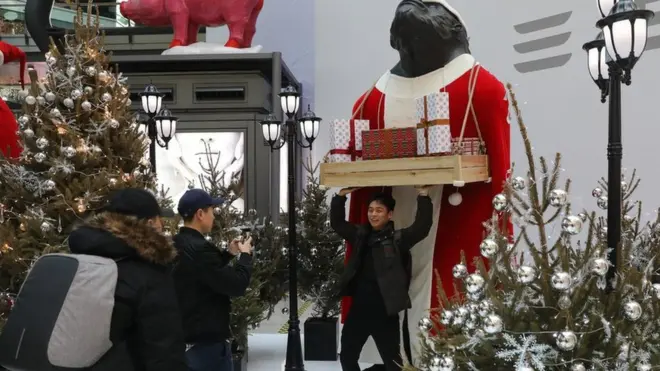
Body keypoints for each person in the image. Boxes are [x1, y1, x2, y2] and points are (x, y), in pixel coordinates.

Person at [344, 0, 511, 364]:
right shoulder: (371, 100)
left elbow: (499, 178)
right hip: (390, 233)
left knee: (441, 305)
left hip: (454, 227)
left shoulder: (478, 89)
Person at [67, 187, 187, 371]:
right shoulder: (148, 273)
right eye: (159, 219)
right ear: (150, 223)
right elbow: (163, 349)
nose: (162, 226)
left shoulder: (85, 257)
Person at [331, 186, 434, 371]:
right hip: (359, 310)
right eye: (370, 210)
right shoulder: (359, 235)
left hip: (385, 313)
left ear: (390, 214)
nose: (373, 214)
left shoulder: (398, 239)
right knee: (347, 356)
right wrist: (340, 196)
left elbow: (422, 227)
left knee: (392, 363)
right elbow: (337, 223)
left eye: (379, 210)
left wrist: (423, 195)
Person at [172, 188, 254, 371]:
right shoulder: (201, 250)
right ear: (200, 214)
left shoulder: (177, 243)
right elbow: (236, 285)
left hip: (184, 341)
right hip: (205, 349)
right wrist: (245, 256)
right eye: (212, 211)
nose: (214, 217)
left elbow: (202, 274)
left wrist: (228, 254)